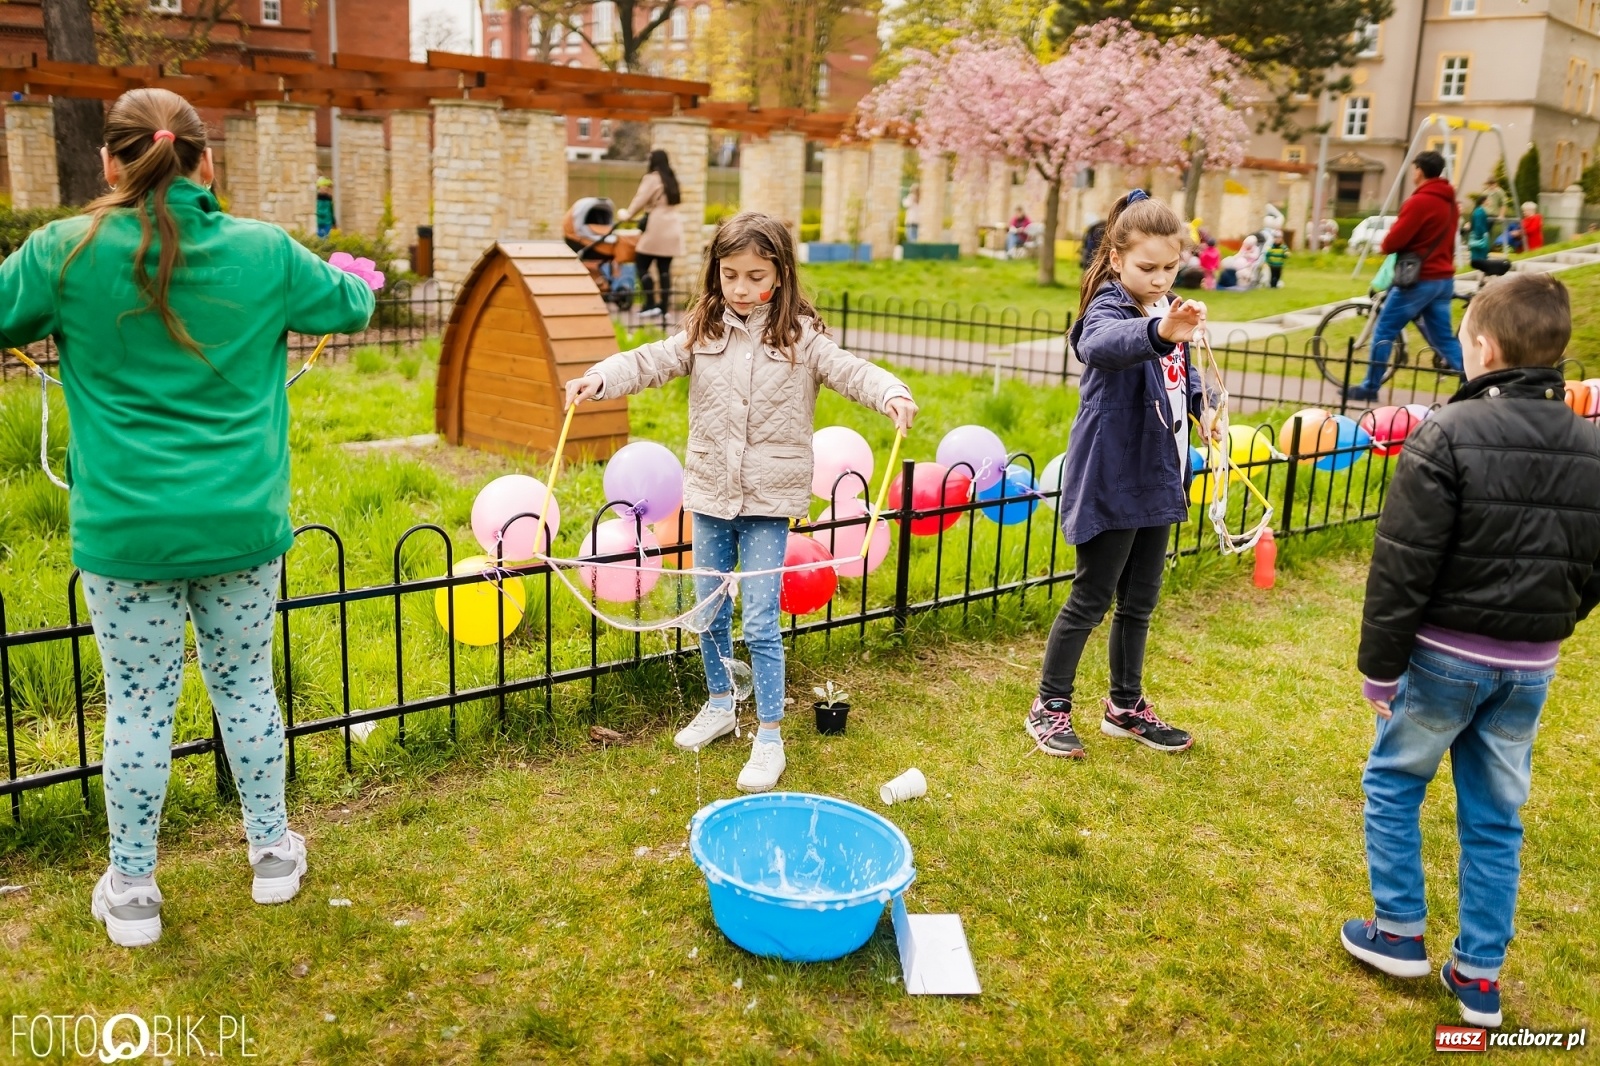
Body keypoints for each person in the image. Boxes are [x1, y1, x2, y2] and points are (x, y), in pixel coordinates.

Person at [0, 89, 375, 947]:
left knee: (138, 708)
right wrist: (346, 271)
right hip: (241, 528)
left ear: (109, 164)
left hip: (127, 535)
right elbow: (350, 308)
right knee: (246, 689)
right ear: (208, 162)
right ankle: (273, 855)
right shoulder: (266, 251)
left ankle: (132, 890)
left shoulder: (64, 250)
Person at [566, 213, 918, 792]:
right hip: (708, 493)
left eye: (756, 276)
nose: (741, 288)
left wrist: (891, 392)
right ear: (716, 273)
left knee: (759, 621)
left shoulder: (801, 339)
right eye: (729, 275)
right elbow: (650, 360)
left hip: (767, 501)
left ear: (780, 274)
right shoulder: (707, 329)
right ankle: (721, 702)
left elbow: (851, 371)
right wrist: (599, 378)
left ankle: (770, 735)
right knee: (707, 612)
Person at [1342, 272, 1600, 1028]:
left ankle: (1398, 932)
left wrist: (1380, 666)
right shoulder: (1591, 444)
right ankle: (1478, 975)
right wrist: (1552, 621)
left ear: (1482, 349)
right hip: (1530, 667)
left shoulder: (1446, 434)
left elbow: (1403, 563)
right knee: (1496, 816)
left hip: (1444, 658)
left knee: (1394, 783)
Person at [1026, 189, 1212, 759]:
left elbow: (1178, 373)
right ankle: (1049, 707)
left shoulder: (1168, 307)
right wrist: (1159, 334)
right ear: (1116, 261)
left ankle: (1124, 707)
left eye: (1170, 267)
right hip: (1114, 475)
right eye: (1146, 268)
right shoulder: (1108, 309)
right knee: (1093, 595)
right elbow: (1102, 346)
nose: (1160, 280)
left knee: (1140, 600)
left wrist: (1202, 409)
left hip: (1160, 475)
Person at [1347, 151, 1463, 402]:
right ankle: (1477, 381)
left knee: (1384, 329)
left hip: (1419, 280)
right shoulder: (1450, 203)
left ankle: (1370, 387)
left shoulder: (1419, 201)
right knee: (1444, 339)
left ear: (1419, 170)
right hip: (1443, 279)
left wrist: (1387, 244)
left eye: (1413, 169)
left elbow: (1393, 241)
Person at [618, 149, 683, 319]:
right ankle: (664, 309)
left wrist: (627, 215)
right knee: (664, 269)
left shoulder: (652, 178)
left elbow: (640, 199)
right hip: (673, 226)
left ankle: (650, 304)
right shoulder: (671, 178)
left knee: (641, 263)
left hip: (657, 225)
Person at [1467, 193, 1492, 265]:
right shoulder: (1480, 211)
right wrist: (1483, 234)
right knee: (1480, 256)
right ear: (1484, 201)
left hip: (1477, 235)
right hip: (1480, 237)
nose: (1490, 202)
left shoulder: (1478, 210)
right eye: (1488, 200)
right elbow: (1478, 225)